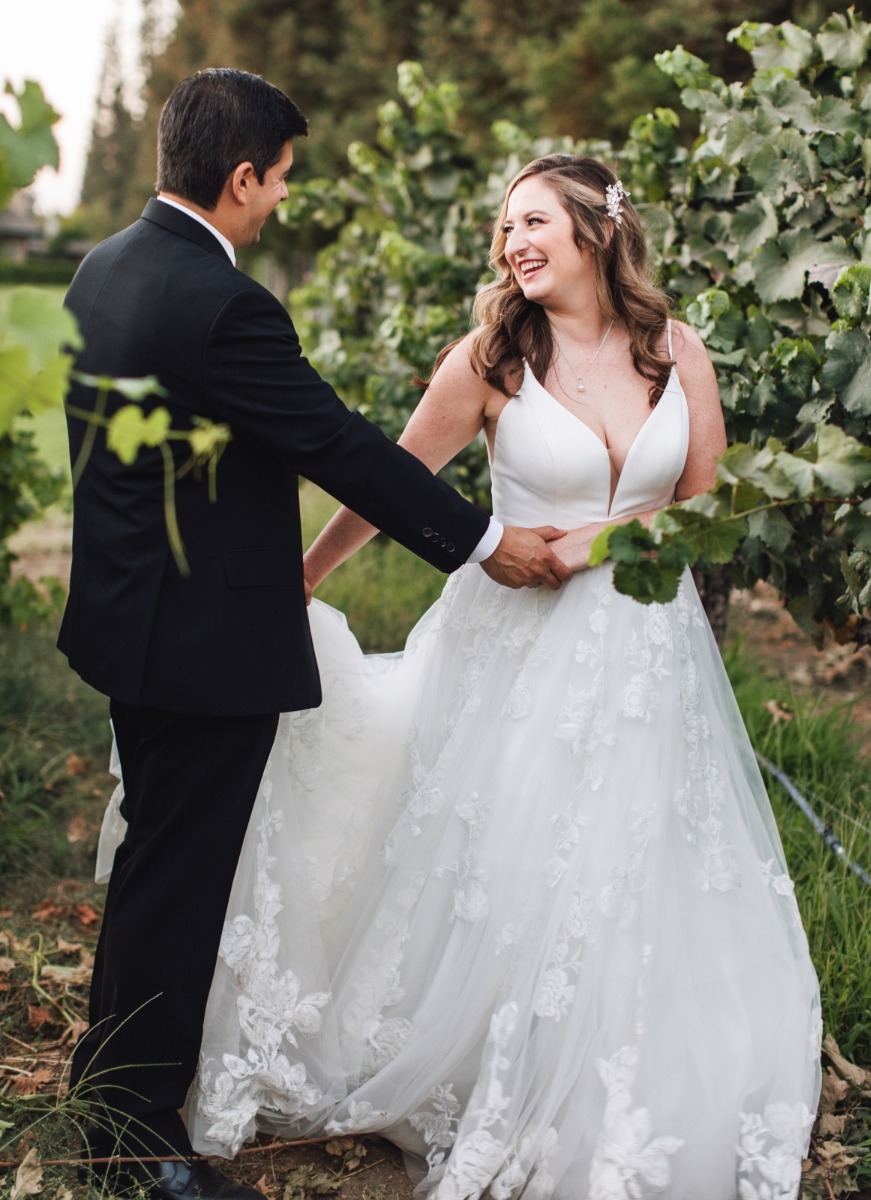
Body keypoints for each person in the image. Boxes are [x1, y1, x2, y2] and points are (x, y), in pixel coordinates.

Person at [100, 154, 822, 1198]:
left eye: (534, 220)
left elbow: (709, 501)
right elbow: (390, 478)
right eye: (505, 226)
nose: (513, 242)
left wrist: (603, 540)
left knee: (638, 854)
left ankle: (621, 1065)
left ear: (598, 229)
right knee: (522, 857)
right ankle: (494, 1060)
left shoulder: (679, 351)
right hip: (514, 658)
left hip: (647, 653)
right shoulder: (492, 359)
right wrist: (304, 575)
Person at [59, 70, 571, 1200]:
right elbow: (335, 442)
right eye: (282, 176)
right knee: (180, 884)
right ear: (242, 177)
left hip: (126, 621)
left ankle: (106, 1093)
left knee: (153, 867)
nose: (283, 196)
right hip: (204, 646)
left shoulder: (105, 269)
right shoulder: (225, 301)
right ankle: (137, 1145)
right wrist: (485, 542)